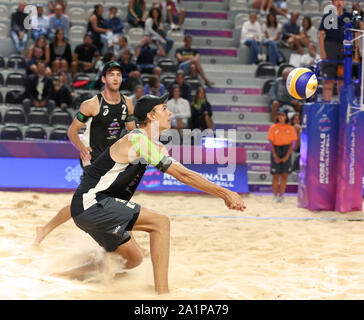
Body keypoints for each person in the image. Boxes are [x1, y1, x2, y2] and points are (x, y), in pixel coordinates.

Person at [53, 93, 246, 294]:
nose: (170, 112)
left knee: (131, 259)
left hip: (92, 207)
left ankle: (61, 276)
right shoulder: (137, 139)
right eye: (164, 108)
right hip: (91, 204)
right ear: (151, 116)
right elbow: (181, 174)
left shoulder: (154, 146)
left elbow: (183, 171)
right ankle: (162, 293)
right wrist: (225, 193)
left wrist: (221, 192)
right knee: (160, 223)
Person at [33, 61, 138, 246]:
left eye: (119, 75)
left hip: (112, 160)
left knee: (110, 201)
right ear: (104, 78)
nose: (116, 78)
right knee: (87, 202)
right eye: (111, 74)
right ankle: (45, 230)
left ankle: (128, 243)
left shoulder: (127, 103)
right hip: (93, 160)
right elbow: (72, 132)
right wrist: (82, 148)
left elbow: (131, 130)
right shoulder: (91, 104)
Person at [318, 0, 353, 102]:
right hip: (330, 47)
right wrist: (322, 51)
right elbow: (321, 34)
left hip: (345, 48)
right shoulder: (328, 15)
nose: (339, 2)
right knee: (328, 79)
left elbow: (356, 32)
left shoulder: (349, 16)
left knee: (342, 80)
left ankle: (342, 104)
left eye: (341, 0)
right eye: (337, 0)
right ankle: (327, 103)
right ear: (333, 2)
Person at [267, 108, 297, 203]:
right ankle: (275, 196)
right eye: (279, 115)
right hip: (276, 149)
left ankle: (282, 195)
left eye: (282, 115)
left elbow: (292, 144)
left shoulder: (290, 128)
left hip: (286, 150)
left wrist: (287, 156)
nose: (280, 117)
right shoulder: (273, 127)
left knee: (284, 175)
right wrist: (275, 155)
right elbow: (271, 142)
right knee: (276, 175)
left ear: (286, 117)